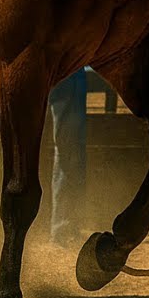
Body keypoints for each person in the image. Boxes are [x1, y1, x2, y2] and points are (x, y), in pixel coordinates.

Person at [47, 68, 89, 247]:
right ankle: (63, 227)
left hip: (69, 70)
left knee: (71, 149)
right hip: (66, 69)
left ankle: (65, 225)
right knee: (70, 148)